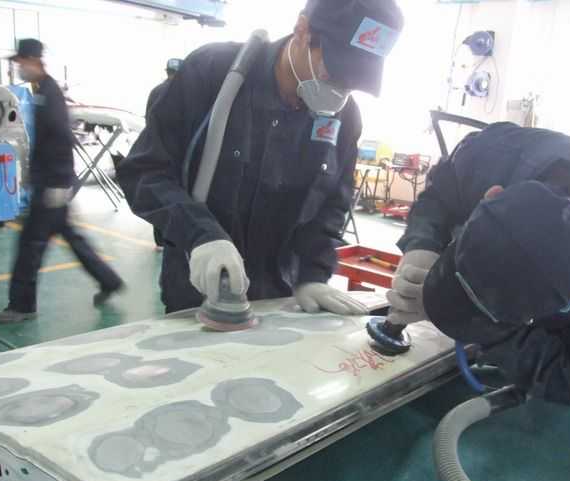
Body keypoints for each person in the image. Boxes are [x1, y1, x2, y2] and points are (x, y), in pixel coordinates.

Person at [119, 0, 403, 314]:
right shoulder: (213, 73)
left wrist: (313, 275)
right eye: (335, 71)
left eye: (355, 80)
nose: (341, 89)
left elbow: (332, 205)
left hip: (280, 300)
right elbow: (145, 171)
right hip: (197, 292)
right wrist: (200, 234)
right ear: (302, 30)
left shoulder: (344, 119)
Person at [387, 122, 570, 416]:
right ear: (492, 195)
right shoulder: (493, 154)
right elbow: (443, 192)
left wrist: (493, 337)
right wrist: (422, 243)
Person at [0, 39, 124, 324]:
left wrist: (57, 183)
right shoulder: (42, 90)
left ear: (34, 61)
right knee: (73, 238)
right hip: (51, 183)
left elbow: (61, 138)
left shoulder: (49, 93)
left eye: (21, 62)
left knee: (30, 246)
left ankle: (22, 306)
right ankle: (109, 280)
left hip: (52, 185)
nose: (19, 68)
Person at [145, 58, 183, 249]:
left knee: (159, 193)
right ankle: (171, 238)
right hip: (176, 152)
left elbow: (148, 120)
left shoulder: (155, 91)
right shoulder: (183, 92)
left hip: (156, 150)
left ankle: (159, 240)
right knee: (175, 194)